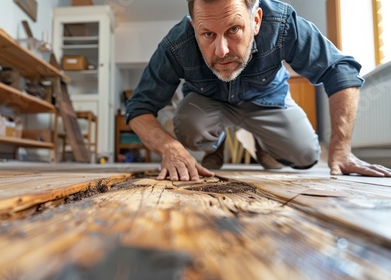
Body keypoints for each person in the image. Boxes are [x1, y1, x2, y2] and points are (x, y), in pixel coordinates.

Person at [125, 0, 391, 181]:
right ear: (194, 27)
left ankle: (265, 145)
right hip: (207, 104)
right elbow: (138, 108)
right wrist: (169, 147)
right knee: (189, 126)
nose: (222, 51)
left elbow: (340, 70)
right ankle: (214, 146)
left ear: (256, 20)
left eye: (233, 30)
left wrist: (341, 149)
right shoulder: (176, 44)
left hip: (268, 100)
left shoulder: (282, 23)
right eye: (207, 35)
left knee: (306, 156)